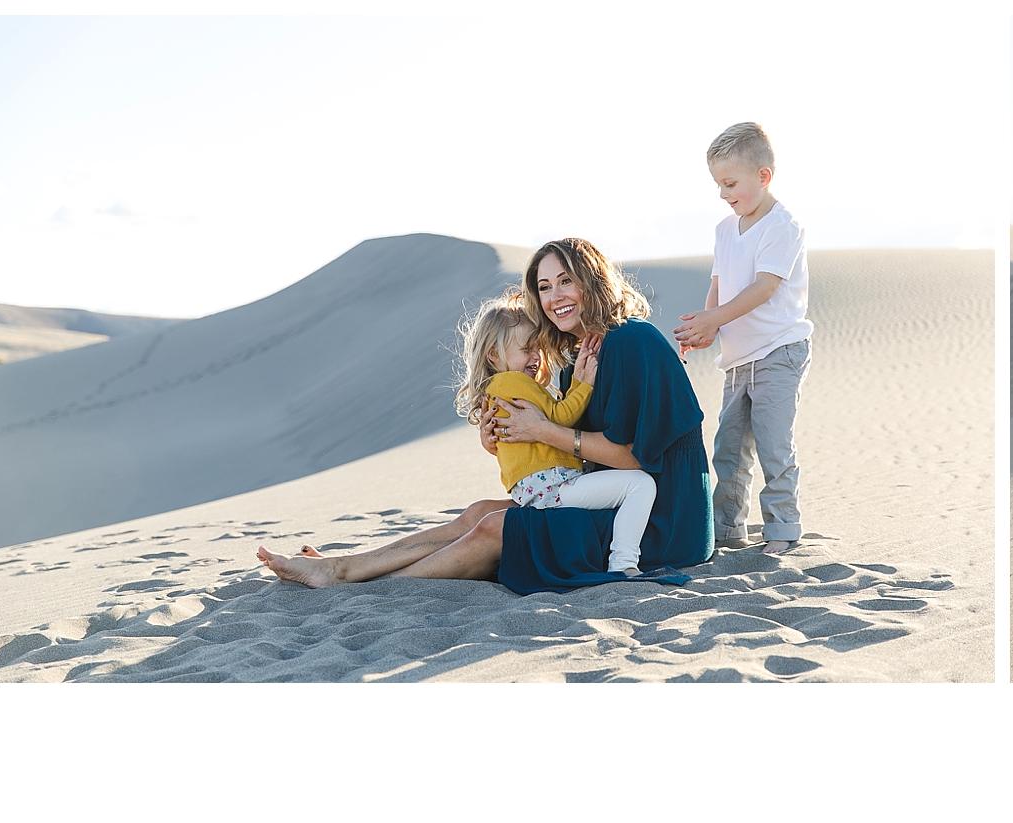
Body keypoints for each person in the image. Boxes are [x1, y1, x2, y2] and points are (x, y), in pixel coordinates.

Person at [257, 238, 713, 592]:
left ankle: (367, 588)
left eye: (566, 281)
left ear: (592, 281)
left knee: (496, 526)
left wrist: (546, 431)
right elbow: (566, 437)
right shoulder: (582, 356)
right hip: (611, 498)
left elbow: (636, 462)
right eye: (544, 286)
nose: (555, 296)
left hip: (660, 520)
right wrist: (503, 437)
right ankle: (342, 568)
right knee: (479, 511)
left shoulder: (634, 342)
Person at [674, 122, 813, 555]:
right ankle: (728, 530)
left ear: (763, 176)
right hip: (737, 359)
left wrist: (715, 316)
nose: (723, 193)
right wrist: (708, 325)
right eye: (718, 183)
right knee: (729, 451)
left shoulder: (781, 226)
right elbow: (720, 283)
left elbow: (763, 287)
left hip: (779, 352)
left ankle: (783, 529)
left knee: (774, 444)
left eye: (730, 183)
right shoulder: (723, 229)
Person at [454, 294, 654, 575]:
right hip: (553, 488)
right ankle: (624, 563)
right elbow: (560, 419)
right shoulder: (513, 382)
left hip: (538, 490)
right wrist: (584, 384)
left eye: (538, 348)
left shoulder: (499, 388)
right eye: (526, 349)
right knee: (641, 485)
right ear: (494, 355)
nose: (536, 356)